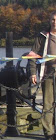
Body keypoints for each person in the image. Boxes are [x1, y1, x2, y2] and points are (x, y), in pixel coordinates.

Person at [29, 11, 56, 140]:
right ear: (50, 21)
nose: (54, 22)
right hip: (48, 75)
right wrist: (33, 73)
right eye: (53, 19)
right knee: (48, 105)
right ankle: (49, 133)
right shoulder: (42, 36)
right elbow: (32, 55)